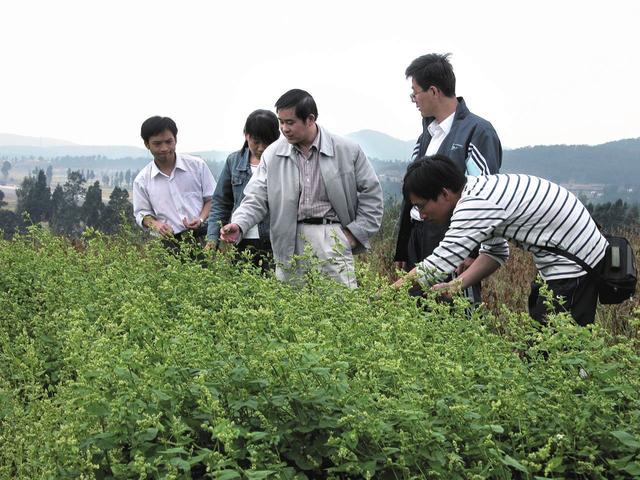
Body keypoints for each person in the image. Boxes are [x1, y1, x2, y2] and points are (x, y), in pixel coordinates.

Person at [393, 155, 608, 326]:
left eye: (421, 205)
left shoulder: (474, 205)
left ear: (444, 194)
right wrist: (455, 285)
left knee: (558, 349)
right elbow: (495, 252)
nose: (421, 215)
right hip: (565, 260)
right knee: (545, 338)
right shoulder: (478, 190)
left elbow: (437, 265)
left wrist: (384, 296)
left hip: (575, 264)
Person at [219, 89, 383, 288]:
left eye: (290, 122)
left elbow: (372, 194)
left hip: (331, 235)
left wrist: (353, 235)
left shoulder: (347, 150)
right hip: (289, 238)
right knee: (292, 309)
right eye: (281, 122)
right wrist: (239, 223)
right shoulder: (273, 154)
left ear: (310, 119)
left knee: (339, 306)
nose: (284, 129)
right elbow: (256, 197)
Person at [394, 53, 502, 301]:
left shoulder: (477, 132)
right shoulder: (427, 135)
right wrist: (402, 246)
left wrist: (472, 251)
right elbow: (412, 193)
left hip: (453, 238)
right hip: (418, 237)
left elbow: (483, 198)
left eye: (415, 93)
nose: (414, 100)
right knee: (417, 310)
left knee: (453, 307)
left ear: (433, 91)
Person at [206, 109, 280, 270]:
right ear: (246, 135)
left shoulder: (284, 162)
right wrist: (212, 238)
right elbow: (221, 203)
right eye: (256, 141)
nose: (261, 148)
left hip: (276, 241)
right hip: (241, 239)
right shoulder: (234, 161)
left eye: (267, 142)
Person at [133, 116, 216, 250]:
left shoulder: (197, 166)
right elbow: (141, 213)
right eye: (157, 143)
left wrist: (200, 219)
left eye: (168, 141)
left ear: (175, 140)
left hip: (203, 239)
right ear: (147, 144)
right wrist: (156, 225)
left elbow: (212, 199)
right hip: (167, 244)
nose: (164, 148)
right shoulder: (142, 180)